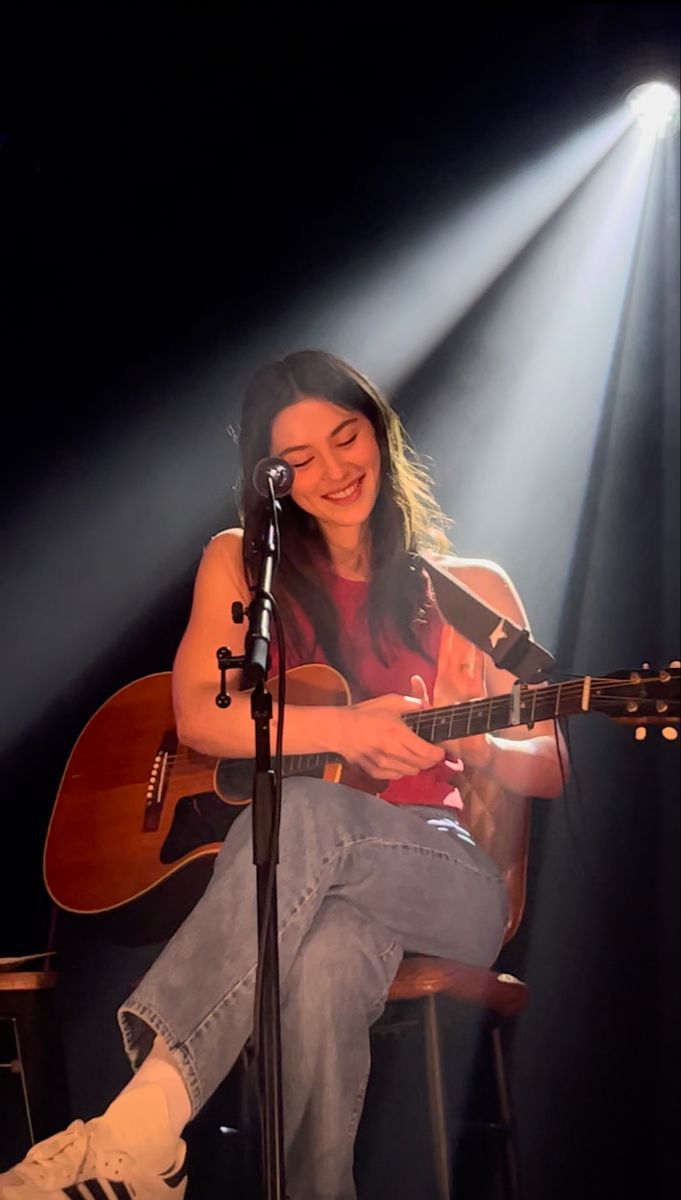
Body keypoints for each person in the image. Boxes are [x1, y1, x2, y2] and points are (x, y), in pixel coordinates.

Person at [1, 351, 566, 1200]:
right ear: (271, 479)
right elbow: (199, 717)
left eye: (347, 439)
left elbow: (551, 763)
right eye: (299, 461)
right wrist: (346, 729)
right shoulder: (239, 566)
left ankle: (140, 1130)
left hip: (448, 879)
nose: (335, 471)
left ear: (378, 433)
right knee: (324, 956)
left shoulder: (468, 591)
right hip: (310, 888)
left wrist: (478, 747)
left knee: (299, 813)